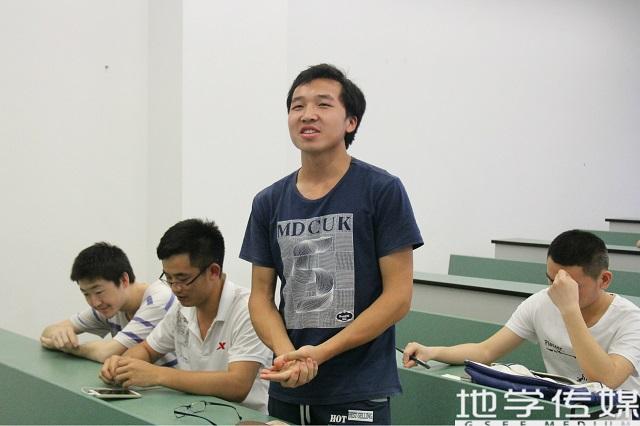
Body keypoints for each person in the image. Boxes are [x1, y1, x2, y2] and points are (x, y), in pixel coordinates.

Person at [240, 64, 423, 424]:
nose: (307, 114)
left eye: (323, 104)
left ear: (351, 121)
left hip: (356, 388)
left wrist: (320, 354)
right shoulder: (268, 202)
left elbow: (398, 297)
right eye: (297, 106)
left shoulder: (382, 190)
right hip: (289, 384)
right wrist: (287, 354)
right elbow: (260, 297)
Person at [404, 229, 640, 392]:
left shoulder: (630, 319)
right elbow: (486, 350)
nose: (557, 290)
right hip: (565, 408)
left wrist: (569, 310)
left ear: (604, 280)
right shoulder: (540, 303)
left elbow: (607, 379)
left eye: (571, 286)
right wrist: (432, 351)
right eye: (552, 280)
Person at [100, 219, 271, 413]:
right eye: (168, 278)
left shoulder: (249, 310)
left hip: (242, 418)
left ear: (213, 271)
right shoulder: (182, 309)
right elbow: (147, 349)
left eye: (183, 279)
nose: (175, 288)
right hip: (193, 413)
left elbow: (238, 385)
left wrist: (157, 375)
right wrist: (122, 365)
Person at [40, 242, 176, 365]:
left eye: (98, 292)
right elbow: (46, 334)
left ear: (123, 280)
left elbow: (107, 353)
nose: (94, 303)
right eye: (86, 294)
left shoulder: (159, 299)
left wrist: (71, 347)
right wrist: (60, 334)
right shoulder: (110, 307)